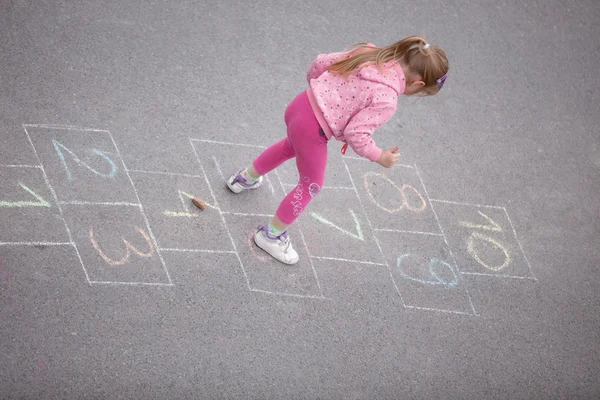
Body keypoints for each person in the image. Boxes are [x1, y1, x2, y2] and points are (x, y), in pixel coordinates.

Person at [226, 36, 449, 265]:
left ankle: (244, 178)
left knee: (288, 146)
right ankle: (271, 235)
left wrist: (318, 88)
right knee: (311, 185)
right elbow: (357, 134)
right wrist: (379, 156)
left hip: (300, 105)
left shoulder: (369, 52)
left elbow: (321, 62)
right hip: (314, 130)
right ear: (418, 85)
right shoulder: (387, 99)